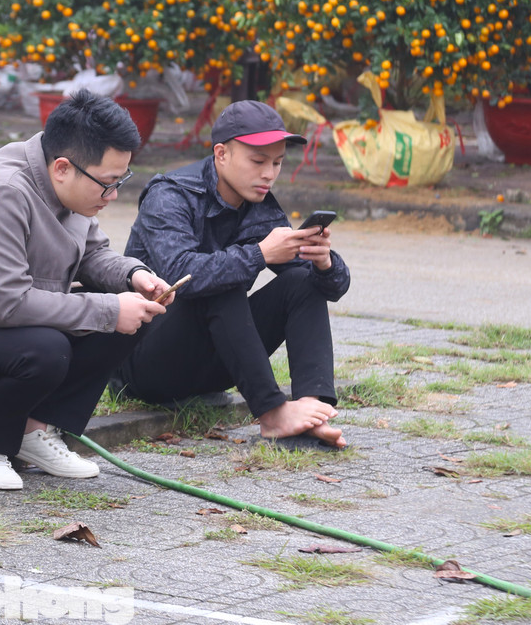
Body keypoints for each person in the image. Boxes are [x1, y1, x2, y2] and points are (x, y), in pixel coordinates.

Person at [0, 90, 174, 489]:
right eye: (107, 184)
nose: (113, 196)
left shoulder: (69, 188)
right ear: (62, 167)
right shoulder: (5, 190)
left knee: (136, 314)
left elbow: (93, 255)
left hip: (1, 335)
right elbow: (9, 304)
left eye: (120, 181)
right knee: (49, 345)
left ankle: (31, 429)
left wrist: (135, 276)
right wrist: (109, 309)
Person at [113, 100, 352, 448]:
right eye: (258, 161)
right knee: (220, 283)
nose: (269, 173)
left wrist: (324, 263)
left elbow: (326, 289)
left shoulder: (261, 207)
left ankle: (314, 407)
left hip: (214, 367)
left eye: (277, 162)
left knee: (302, 281)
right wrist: (259, 254)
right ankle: (272, 414)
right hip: (144, 363)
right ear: (222, 154)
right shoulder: (170, 195)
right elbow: (181, 274)